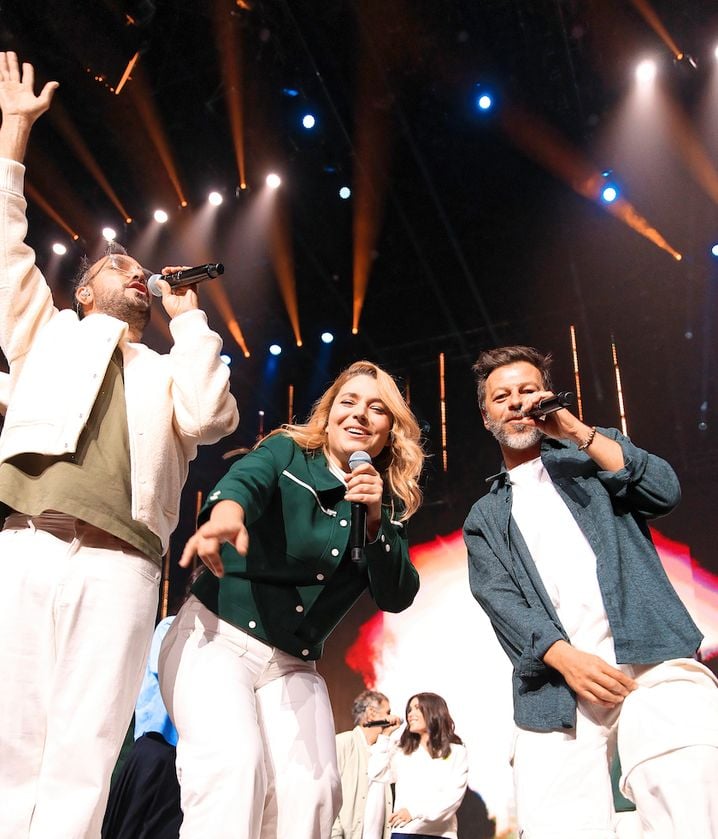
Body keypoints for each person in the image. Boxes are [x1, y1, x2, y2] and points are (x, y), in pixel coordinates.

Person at [0, 52, 238, 839]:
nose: (138, 274)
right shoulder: (45, 331)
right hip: (26, 541)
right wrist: (13, 135)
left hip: (123, 561)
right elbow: (6, 249)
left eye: (144, 270)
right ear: (83, 289)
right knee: (10, 736)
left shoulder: (167, 369)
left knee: (86, 747)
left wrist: (189, 317)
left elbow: (211, 415)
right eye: (119, 266)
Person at [158, 360, 425, 839]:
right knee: (234, 769)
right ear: (328, 413)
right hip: (218, 636)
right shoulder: (288, 453)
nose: (359, 414)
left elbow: (398, 594)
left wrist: (373, 523)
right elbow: (246, 480)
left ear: (390, 430)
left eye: (377, 408)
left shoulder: (382, 505)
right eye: (348, 402)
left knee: (314, 792)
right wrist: (226, 514)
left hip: (292, 663)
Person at [463, 345, 718, 838]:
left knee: (689, 785)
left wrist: (575, 431)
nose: (516, 402)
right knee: (558, 825)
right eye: (502, 396)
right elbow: (500, 601)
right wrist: (564, 658)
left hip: (652, 654)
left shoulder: (593, 454)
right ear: (485, 414)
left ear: (547, 396)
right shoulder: (485, 516)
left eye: (528, 390)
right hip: (557, 684)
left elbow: (663, 491)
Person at [367, 692, 468, 839]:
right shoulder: (401, 750)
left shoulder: (456, 752)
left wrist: (414, 812)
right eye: (409, 710)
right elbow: (375, 773)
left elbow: (453, 797)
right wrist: (385, 735)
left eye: (417, 708)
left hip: (441, 833)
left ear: (434, 711)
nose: (410, 714)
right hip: (405, 832)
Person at [332, 689, 399, 839]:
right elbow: (329, 793)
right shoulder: (343, 743)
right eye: (387, 712)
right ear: (371, 713)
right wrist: (335, 834)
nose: (391, 717)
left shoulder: (386, 750)